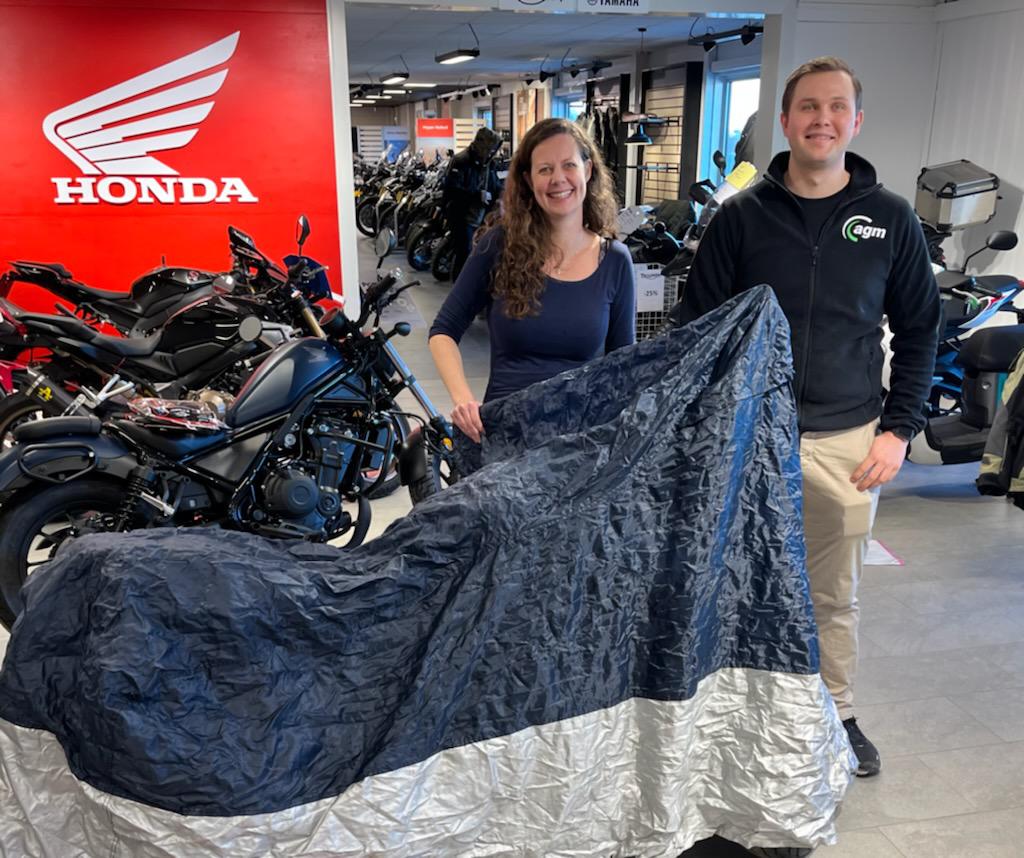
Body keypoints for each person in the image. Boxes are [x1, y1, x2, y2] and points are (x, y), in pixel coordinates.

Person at [677, 57, 940, 778]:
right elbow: (697, 328)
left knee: (833, 593)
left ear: (856, 122)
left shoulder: (891, 220)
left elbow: (920, 329)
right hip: (748, 438)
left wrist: (897, 431)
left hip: (850, 439)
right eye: (808, 107)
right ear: (785, 120)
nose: (822, 119)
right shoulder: (741, 218)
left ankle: (836, 714)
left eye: (837, 107)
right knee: (732, 583)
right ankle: (735, 719)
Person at [429, 118, 636, 442]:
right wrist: (463, 399)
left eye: (569, 165)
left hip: (579, 445)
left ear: (588, 170)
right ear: (528, 179)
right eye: (545, 169)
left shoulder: (616, 261)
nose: (558, 179)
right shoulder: (499, 245)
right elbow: (444, 330)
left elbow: (624, 367)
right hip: (505, 439)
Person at [442, 126, 504, 281]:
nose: (492, 153)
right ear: (482, 146)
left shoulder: (489, 163)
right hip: (462, 216)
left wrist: (503, 196)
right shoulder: (461, 160)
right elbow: (451, 189)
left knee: (479, 252)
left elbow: (495, 184)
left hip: (482, 216)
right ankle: (459, 286)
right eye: (490, 149)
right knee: (464, 254)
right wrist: (477, 195)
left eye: (494, 150)